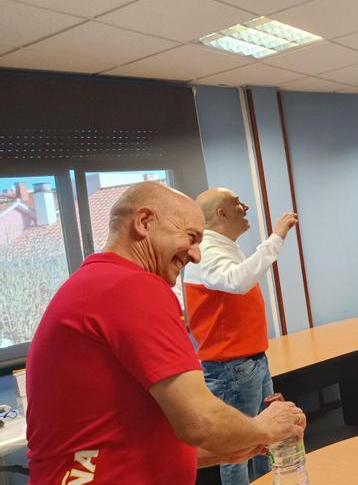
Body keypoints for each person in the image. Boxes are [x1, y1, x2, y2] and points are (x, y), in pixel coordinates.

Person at [26, 182, 306, 484]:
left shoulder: (99, 283)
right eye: (190, 237)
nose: (197, 256)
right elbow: (201, 421)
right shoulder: (130, 287)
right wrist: (266, 428)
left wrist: (235, 447)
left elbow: (125, 436)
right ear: (144, 222)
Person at [183, 188, 298, 484]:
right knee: (237, 447)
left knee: (265, 436)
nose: (244, 207)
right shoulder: (207, 250)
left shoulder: (225, 245)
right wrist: (276, 238)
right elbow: (237, 280)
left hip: (250, 360)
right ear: (221, 213)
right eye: (237, 203)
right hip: (231, 367)